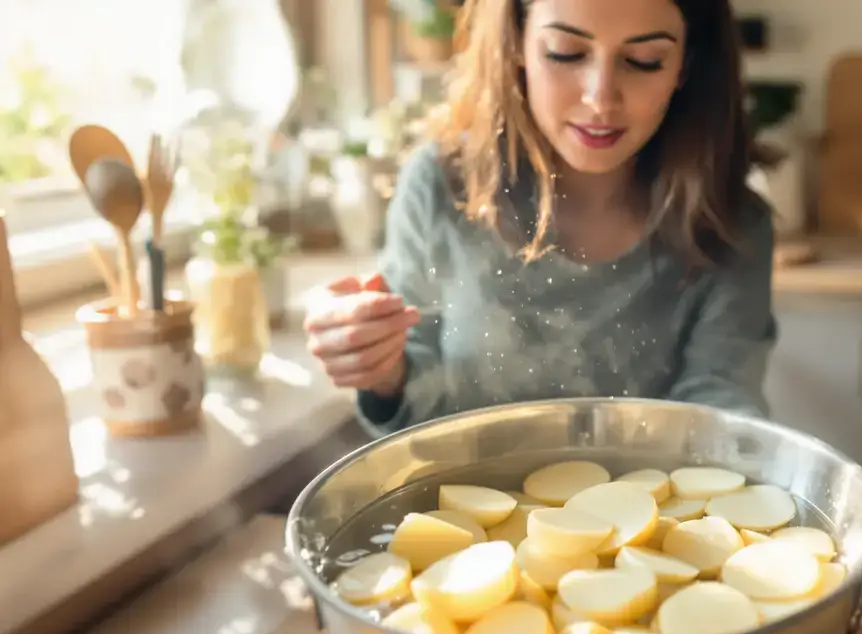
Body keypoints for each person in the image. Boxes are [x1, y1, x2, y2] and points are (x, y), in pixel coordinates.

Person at [303, 0, 778, 438]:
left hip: (652, 521)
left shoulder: (731, 223)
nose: (600, 98)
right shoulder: (439, 186)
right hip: (466, 516)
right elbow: (415, 410)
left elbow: (722, 410)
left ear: (685, 66)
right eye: (566, 53)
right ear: (518, 46)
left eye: (643, 60)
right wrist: (379, 367)